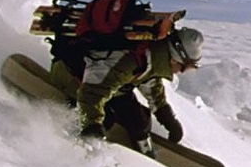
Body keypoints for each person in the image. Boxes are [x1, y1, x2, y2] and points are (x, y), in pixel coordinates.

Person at [51, 25, 203, 157]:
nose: (182, 72)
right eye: (186, 67)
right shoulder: (130, 60)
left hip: (108, 86)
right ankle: (71, 142)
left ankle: (144, 152)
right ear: (176, 59)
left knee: (140, 121)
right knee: (105, 119)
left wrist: (167, 118)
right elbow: (92, 92)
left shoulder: (153, 57)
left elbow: (150, 83)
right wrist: (93, 126)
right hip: (70, 74)